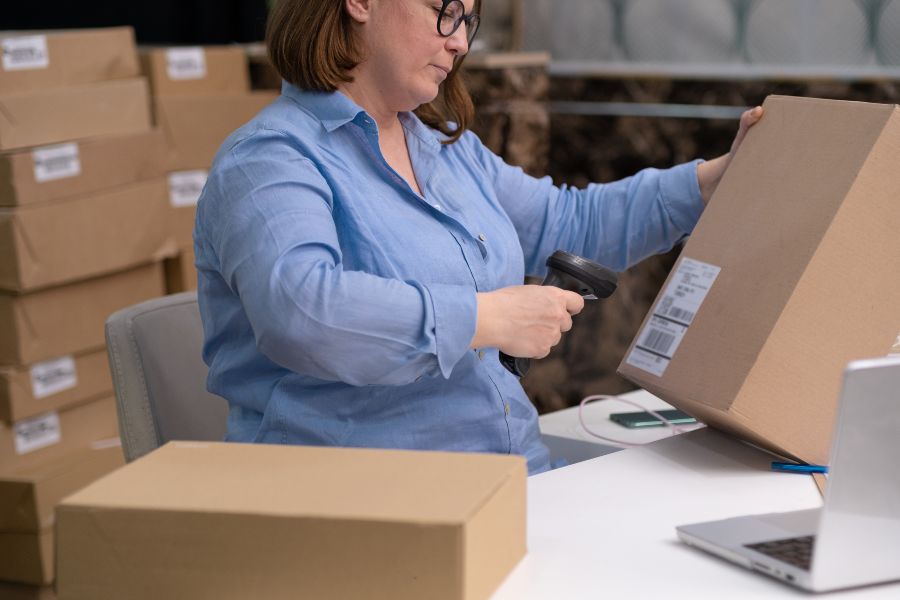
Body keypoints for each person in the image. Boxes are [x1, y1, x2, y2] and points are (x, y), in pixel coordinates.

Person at [194, 0, 763, 475]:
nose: (460, 41)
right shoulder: (270, 158)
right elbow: (303, 313)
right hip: (367, 506)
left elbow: (570, 224)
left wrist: (713, 182)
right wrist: (485, 318)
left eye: (469, 20)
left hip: (506, 477)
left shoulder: (444, 148)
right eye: (445, 12)